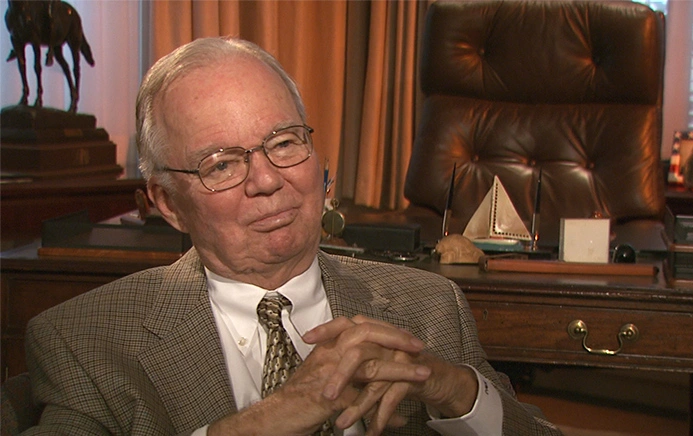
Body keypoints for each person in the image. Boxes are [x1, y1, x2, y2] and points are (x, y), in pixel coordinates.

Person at [24, 37, 562, 436]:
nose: (266, 180)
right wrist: (262, 422)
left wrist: (457, 392)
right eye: (221, 164)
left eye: (283, 143)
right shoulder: (84, 340)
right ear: (167, 203)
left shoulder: (429, 308)